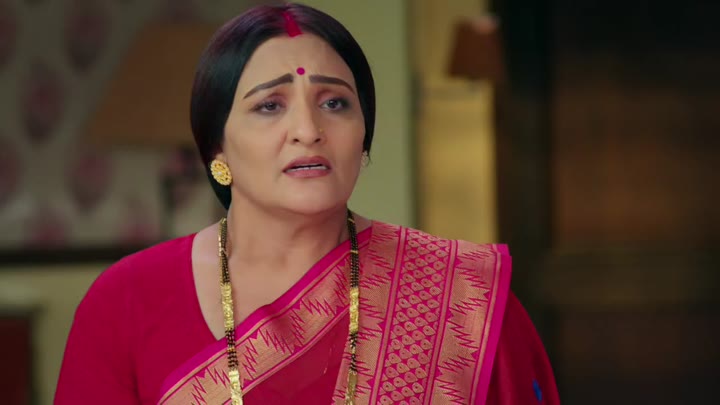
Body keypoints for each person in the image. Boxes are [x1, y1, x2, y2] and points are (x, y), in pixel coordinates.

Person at [55, 3, 559, 404]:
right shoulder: (125, 303)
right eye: (269, 106)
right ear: (217, 148)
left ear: (363, 138)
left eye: (334, 103)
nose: (308, 130)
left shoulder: (461, 297)